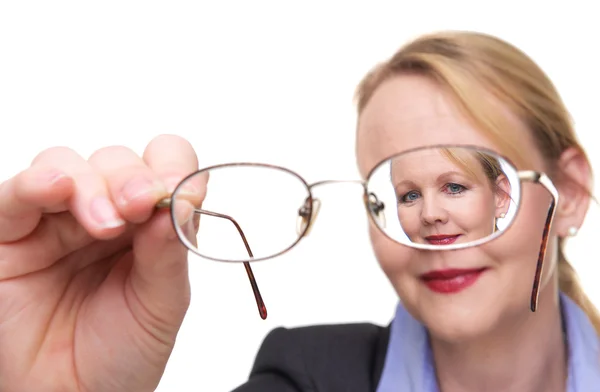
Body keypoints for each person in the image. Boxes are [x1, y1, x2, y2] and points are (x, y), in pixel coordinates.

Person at [0, 30, 598, 392]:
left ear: (568, 191)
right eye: (401, 194)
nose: (429, 220)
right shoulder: (305, 377)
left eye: (460, 181)